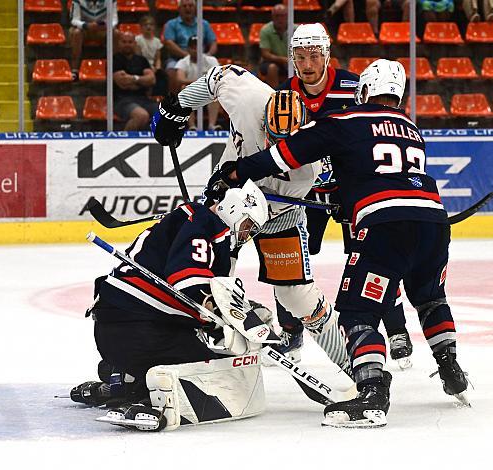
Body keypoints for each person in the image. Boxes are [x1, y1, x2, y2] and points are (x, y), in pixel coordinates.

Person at [214, 59, 470, 427]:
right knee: (430, 297)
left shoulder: (346, 120)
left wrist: (237, 171)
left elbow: (283, 156)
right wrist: (343, 196)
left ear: (363, 91)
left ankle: (371, 395)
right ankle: (451, 370)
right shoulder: (412, 129)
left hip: (386, 225)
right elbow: (376, 172)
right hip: (432, 221)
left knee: (357, 311)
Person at [151, 65, 352, 375]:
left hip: (274, 214)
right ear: (263, 119)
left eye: (285, 143)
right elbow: (214, 77)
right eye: (271, 138)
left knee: (296, 296)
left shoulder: (306, 169)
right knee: (209, 285)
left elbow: (253, 215)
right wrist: (177, 108)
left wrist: (235, 218)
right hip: (223, 203)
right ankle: (197, 354)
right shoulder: (248, 98)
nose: (275, 149)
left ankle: (355, 364)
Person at [71, 181, 271, 431]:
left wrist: (216, 319)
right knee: (210, 368)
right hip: (141, 334)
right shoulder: (207, 226)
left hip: (112, 331)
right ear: (234, 210)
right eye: (248, 224)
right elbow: (188, 282)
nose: (248, 234)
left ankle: (122, 381)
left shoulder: (189, 220)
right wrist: (226, 315)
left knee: (192, 343)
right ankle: (150, 400)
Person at [277, 23, 414, 369]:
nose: (307, 64)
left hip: (352, 190)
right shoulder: (282, 96)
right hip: (306, 194)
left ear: (326, 55)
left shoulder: (355, 87)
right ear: (292, 59)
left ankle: (396, 328)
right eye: (301, 57)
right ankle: (290, 328)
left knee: (371, 256)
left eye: (314, 56)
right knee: (287, 252)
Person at [163, 0, 218, 93]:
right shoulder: (171, 24)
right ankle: (173, 103)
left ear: (195, 8)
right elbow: (169, 43)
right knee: (172, 70)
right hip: (178, 58)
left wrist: (207, 55)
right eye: (184, 6)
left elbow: (213, 42)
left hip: (201, 56)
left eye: (190, 6)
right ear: (179, 9)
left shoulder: (204, 24)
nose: (188, 8)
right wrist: (187, 55)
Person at [175, 36, 221, 130]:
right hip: (191, 91)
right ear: (188, 48)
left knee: (216, 90)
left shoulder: (211, 60)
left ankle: (212, 125)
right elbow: (180, 79)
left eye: (198, 47)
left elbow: (217, 77)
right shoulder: (183, 62)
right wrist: (200, 82)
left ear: (203, 48)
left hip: (207, 91)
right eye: (193, 47)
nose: (195, 50)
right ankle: (192, 126)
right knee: (183, 89)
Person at [113, 32, 157, 130]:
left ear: (135, 43)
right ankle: (124, 140)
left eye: (130, 42)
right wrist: (142, 82)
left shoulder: (142, 60)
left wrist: (134, 79)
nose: (127, 44)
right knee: (141, 116)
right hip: (122, 100)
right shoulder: (114, 60)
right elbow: (122, 82)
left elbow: (152, 80)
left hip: (144, 99)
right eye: (124, 42)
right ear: (119, 43)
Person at [69, 0, 119, 80]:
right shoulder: (77, 1)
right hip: (85, 29)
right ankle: (75, 70)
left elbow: (114, 20)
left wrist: (106, 25)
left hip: (103, 29)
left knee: (116, 33)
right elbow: (74, 20)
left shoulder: (111, 1)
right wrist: (86, 25)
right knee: (76, 33)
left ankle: (115, 68)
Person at [258, 4, 292, 89]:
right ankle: (275, 96)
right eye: (277, 16)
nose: (280, 19)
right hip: (271, 62)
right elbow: (265, 54)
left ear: (287, 16)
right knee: (272, 68)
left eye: (283, 16)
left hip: (291, 61)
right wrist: (283, 59)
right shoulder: (265, 30)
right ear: (272, 17)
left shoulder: (296, 29)